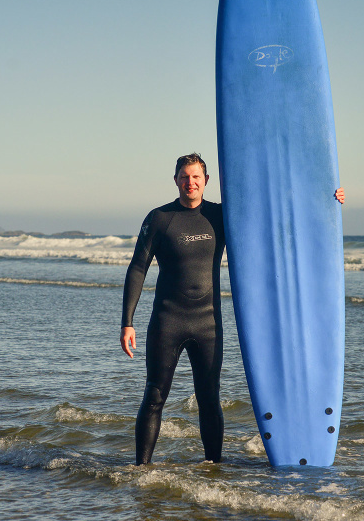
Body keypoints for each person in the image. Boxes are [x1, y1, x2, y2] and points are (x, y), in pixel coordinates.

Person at [120, 153, 344, 465]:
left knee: (210, 399)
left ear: (206, 181)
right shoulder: (159, 218)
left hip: (207, 324)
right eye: (184, 177)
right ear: (175, 180)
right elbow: (137, 269)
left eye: (196, 177)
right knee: (155, 396)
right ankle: (140, 470)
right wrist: (127, 322)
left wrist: (324, 197)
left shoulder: (221, 217)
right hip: (167, 322)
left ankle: (214, 468)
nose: (190, 182)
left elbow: (275, 215)